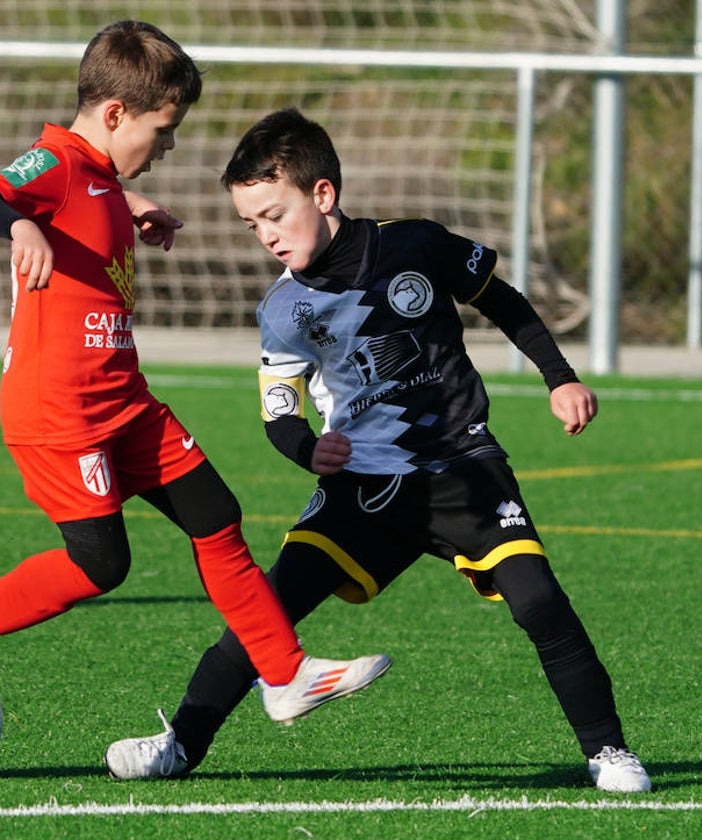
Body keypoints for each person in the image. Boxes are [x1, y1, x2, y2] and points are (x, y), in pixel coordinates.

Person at [103, 108, 651, 793]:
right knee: (267, 610)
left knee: (539, 601)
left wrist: (559, 377)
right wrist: (309, 450)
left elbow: (502, 299)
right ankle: (180, 744)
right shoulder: (282, 308)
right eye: (252, 225)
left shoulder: (414, 246)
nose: (267, 236)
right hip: (364, 484)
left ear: (323, 195)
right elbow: (278, 412)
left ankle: (609, 753)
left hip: (462, 467)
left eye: (274, 214)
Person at [0, 27, 391, 731]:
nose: (168, 146)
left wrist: (128, 207)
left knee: (214, 512)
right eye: (163, 129)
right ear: (114, 114)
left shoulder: (99, 178)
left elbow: (89, 199)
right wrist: (22, 229)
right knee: (101, 563)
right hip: (59, 411)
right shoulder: (55, 158)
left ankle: (284, 674)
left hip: (124, 400)